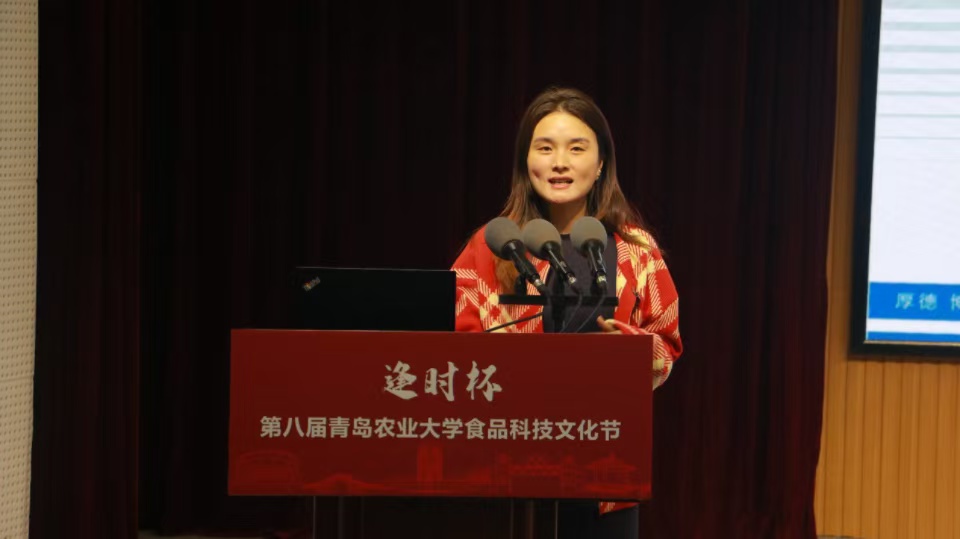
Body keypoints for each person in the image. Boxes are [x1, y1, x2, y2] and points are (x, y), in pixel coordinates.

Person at [450, 86, 683, 538]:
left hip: (604, 472)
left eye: (576, 149)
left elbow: (667, 345)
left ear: (601, 164)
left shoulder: (635, 250)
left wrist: (628, 352)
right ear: (525, 162)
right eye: (545, 148)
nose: (560, 162)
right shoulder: (492, 245)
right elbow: (455, 342)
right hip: (506, 468)